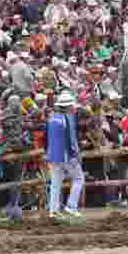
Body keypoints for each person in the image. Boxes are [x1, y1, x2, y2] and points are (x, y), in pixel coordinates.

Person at [45, 91, 83, 219]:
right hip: (66, 155)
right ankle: (71, 206)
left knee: (55, 183)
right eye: (72, 105)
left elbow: (47, 137)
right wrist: (76, 154)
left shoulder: (51, 118)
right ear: (67, 106)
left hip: (52, 155)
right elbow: (70, 139)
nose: (73, 108)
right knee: (79, 178)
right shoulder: (68, 119)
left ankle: (53, 211)